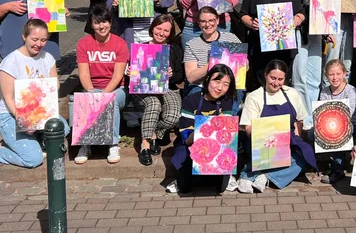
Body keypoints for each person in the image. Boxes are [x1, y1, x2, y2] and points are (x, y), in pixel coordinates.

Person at [0, 19, 70, 175]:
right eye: (34, 39)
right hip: (12, 115)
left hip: (40, 111)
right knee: (33, 160)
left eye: (43, 40)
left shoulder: (47, 57)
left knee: (63, 128)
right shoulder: (11, 62)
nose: (39, 44)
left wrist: (47, 86)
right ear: (24, 37)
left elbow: (56, 84)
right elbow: (9, 99)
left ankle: (38, 140)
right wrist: (26, 122)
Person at [237, 60, 317, 193]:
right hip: (261, 140)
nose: (276, 83)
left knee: (304, 157)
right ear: (265, 75)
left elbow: (299, 121)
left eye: (280, 79)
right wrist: (264, 139)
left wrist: (296, 138)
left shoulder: (292, 93)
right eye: (273, 78)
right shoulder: (254, 97)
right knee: (266, 155)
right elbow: (248, 128)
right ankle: (247, 176)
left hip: (288, 138)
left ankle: (266, 177)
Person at [168, 64, 238, 194]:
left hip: (217, 145)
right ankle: (181, 178)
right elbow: (186, 136)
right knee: (185, 188)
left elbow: (226, 136)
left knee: (220, 188)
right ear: (207, 79)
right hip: (190, 142)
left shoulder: (227, 100)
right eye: (217, 81)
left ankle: (223, 177)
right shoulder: (191, 100)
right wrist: (208, 126)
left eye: (225, 84)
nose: (220, 88)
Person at [72, 5, 129, 164]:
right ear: (91, 24)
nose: (101, 26)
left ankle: (113, 143)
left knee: (110, 100)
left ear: (110, 23)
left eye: (104, 22)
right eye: (97, 23)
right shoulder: (83, 44)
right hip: (92, 86)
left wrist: (103, 95)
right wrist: (91, 91)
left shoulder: (120, 44)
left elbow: (117, 76)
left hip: (117, 88)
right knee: (84, 99)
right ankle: (85, 144)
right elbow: (83, 73)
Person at [238, 0, 305, 89]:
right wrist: (251, 23)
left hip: (285, 48)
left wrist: (296, 20)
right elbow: (243, 14)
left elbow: (301, 13)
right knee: (261, 85)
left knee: (282, 84)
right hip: (260, 48)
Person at [132, 14, 184, 166]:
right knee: (154, 104)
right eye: (158, 28)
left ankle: (155, 131)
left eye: (166, 31)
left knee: (173, 116)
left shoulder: (174, 49)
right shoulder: (142, 48)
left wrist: (172, 75)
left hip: (168, 88)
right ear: (152, 28)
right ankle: (146, 144)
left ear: (170, 33)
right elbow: (133, 78)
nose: (161, 33)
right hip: (144, 91)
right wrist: (131, 73)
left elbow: (181, 77)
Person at [318, 59, 356, 184]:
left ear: (344, 74)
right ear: (326, 76)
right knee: (312, 133)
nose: (335, 77)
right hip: (331, 123)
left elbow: (350, 111)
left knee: (339, 132)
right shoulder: (325, 92)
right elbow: (323, 111)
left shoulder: (351, 90)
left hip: (351, 123)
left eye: (338, 74)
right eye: (331, 74)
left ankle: (338, 168)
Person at [293, 0, 326, 122]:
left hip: (317, 35)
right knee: (300, 75)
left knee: (314, 77)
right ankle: (302, 117)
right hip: (301, 33)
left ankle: (312, 118)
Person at [184, 6, 242, 93]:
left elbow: (245, 66)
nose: (207, 24)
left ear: (217, 20)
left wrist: (240, 61)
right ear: (198, 23)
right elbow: (190, 77)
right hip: (202, 86)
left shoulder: (231, 38)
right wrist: (213, 63)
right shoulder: (191, 45)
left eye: (211, 20)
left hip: (229, 84)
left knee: (233, 102)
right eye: (203, 21)